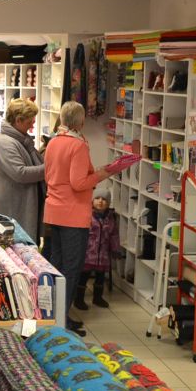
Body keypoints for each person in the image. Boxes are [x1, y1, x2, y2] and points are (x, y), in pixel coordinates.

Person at [44, 101, 117, 335]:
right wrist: (103, 173)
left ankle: (54, 317)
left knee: (56, 266)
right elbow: (78, 183)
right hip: (73, 214)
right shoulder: (78, 146)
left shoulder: (54, 141)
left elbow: (51, 175)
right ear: (82, 121)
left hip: (54, 210)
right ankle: (62, 321)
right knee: (71, 269)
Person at [0, 98, 45, 239]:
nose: (32, 124)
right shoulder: (6, 143)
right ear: (18, 120)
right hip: (14, 207)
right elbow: (20, 173)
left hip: (20, 203)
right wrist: (50, 168)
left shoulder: (20, 140)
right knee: (18, 244)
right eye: (29, 121)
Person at [75, 193, 120, 311]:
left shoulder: (111, 218)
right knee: (83, 276)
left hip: (103, 254)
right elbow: (80, 234)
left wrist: (115, 249)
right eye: (97, 198)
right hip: (88, 254)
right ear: (92, 200)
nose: (100, 201)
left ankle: (97, 298)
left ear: (108, 203)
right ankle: (79, 299)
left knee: (100, 277)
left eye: (104, 199)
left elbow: (114, 235)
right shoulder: (87, 215)